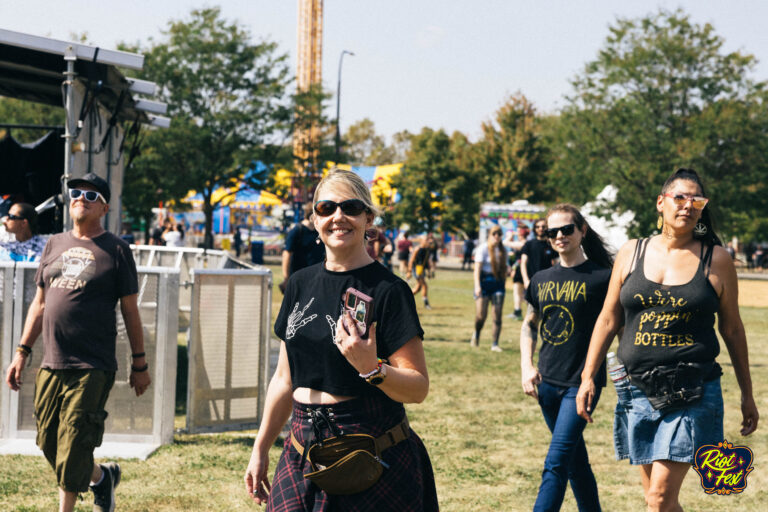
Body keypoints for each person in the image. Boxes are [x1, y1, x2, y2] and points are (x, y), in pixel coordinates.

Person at [244, 168, 437, 511]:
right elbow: (284, 379)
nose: (338, 217)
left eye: (350, 207)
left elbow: (418, 387)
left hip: (371, 450)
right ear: (315, 220)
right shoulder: (299, 284)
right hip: (301, 449)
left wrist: (372, 368)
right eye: (326, 208)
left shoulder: (390, 291)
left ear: (368, 218)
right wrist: (260, 448)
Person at [575, 168, 759, 511]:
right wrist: (588, 376)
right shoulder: (631, 252)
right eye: (680, 197)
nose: (688, 205)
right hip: (636, 390)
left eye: (696, 200)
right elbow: (609, 317)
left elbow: (732, 328)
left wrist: (748, 394)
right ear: (661, 203)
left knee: (658, 499)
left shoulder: (716, 260)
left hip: (692, 390)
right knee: (657, 501)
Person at [4, 172, 151, 512]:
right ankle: (102, 478)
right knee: (48, 440)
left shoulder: (116, 249)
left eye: (90, 195)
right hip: (52, 361)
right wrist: (21, 353)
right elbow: (39, 304)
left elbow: (130, 310)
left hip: (93, 364)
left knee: (74, 442)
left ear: (104, 208)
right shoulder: (54, 244)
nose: (80, 198)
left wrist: (139, 364)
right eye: (75, 192)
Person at [520, 204, 614, 512]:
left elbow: (619, 327)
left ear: (582, 231)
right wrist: (526, 366)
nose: (559, 236)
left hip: (582, 385)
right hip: (547, 384)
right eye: (552, 232)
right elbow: (529, 325)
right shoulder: (541, 278)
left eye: (566, 229)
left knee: (556, 462)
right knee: (575, 462)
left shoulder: (604, 278)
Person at [471, 225, 507, 352]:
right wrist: (477, 286)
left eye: (499, 234)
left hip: (498, 283)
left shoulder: (503, 250)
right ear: (489, 235)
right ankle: (476, 333)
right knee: (481, 315)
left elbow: (505, 268)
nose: (497, 236)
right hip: (484, 282)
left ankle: (495, 343)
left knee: (497, 314)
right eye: (494, 233)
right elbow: (477, 270)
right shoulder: (483, 248)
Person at [281, 203, 326, 291]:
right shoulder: (297, 231)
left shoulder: (319, 232)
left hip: (317, 278)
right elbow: (286, 254)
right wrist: (286, 278)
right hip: (299, 278)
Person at [521, 219, 556, 290]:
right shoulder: (529, 244)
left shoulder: (552, 245)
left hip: (548, 283)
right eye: (538, 227)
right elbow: (523, 263)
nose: (541, 229)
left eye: (543, 226)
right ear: (534, 228)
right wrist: (526, 280)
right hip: (532, 281)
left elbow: (556, 263)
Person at [504, 223, 529, 320]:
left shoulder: (523, 243)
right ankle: (517, 311)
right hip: (520, 269)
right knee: (520, 293)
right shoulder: (524, 243)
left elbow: (505, 242)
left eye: (518, 231)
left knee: (519, 292)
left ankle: (518, 312)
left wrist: (510, 236)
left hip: (520, 271)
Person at [407, 236, 433, 310]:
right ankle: (426, 303)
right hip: (416, 269)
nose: (428, 241)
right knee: (424, 285)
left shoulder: (427, 250)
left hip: (421, 269)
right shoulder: (417, 249)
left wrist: (429, 271)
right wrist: (409, 271)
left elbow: (427, 261)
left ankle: (405, 298)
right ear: (421, 241)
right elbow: (411, 260)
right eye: (426, 240)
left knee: (418, 288)